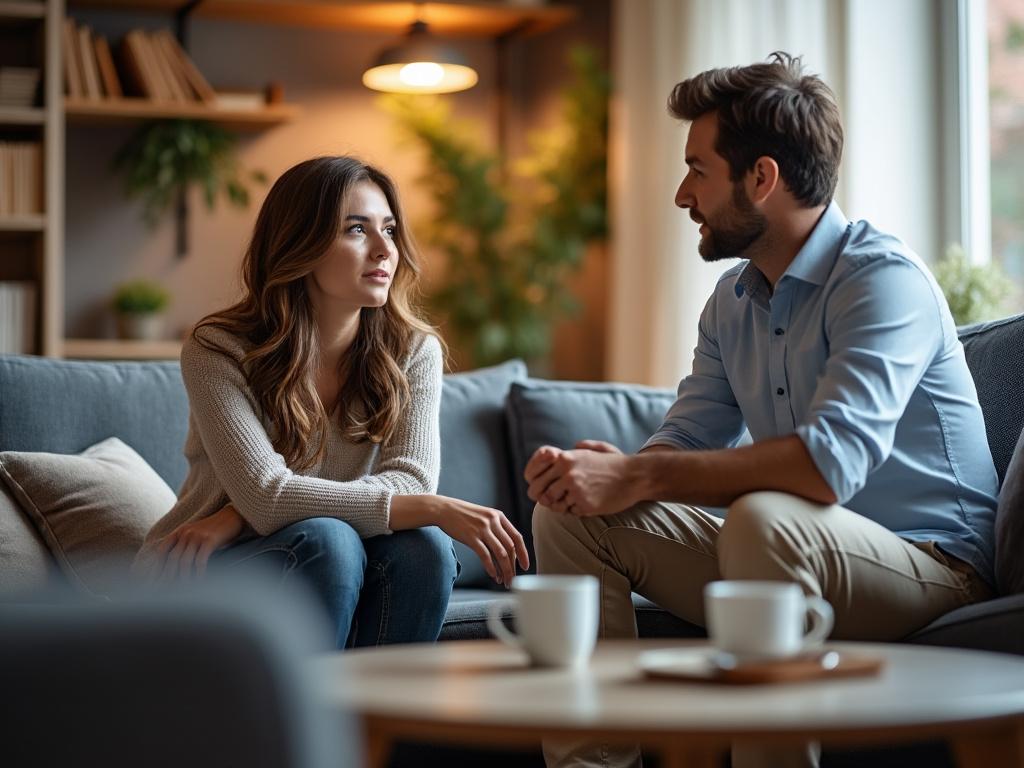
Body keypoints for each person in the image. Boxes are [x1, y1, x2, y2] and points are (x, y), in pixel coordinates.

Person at [526, 52, 997, 768]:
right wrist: (616, 474)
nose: (683, 195)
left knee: (764, 517)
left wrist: (645, 480)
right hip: (786, 549)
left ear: (762, 178)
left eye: (697, 169)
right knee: (569, 512)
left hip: (932, 565)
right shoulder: (732, 303)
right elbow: (685, 438)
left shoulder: (881, 280)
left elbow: (825, 469)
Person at [136, 156, 529, 649]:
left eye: (389, 228)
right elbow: (265, 494)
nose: (386, 249)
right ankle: (310, 725)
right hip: (209, 564)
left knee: (425, 547)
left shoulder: (413, 350)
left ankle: (381, 724)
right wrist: (432, 506)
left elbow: (407, 479)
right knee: (330, 540)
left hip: (296, 541)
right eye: (356, 230)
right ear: (300, 245)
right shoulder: (218, 349)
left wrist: (240, 513)